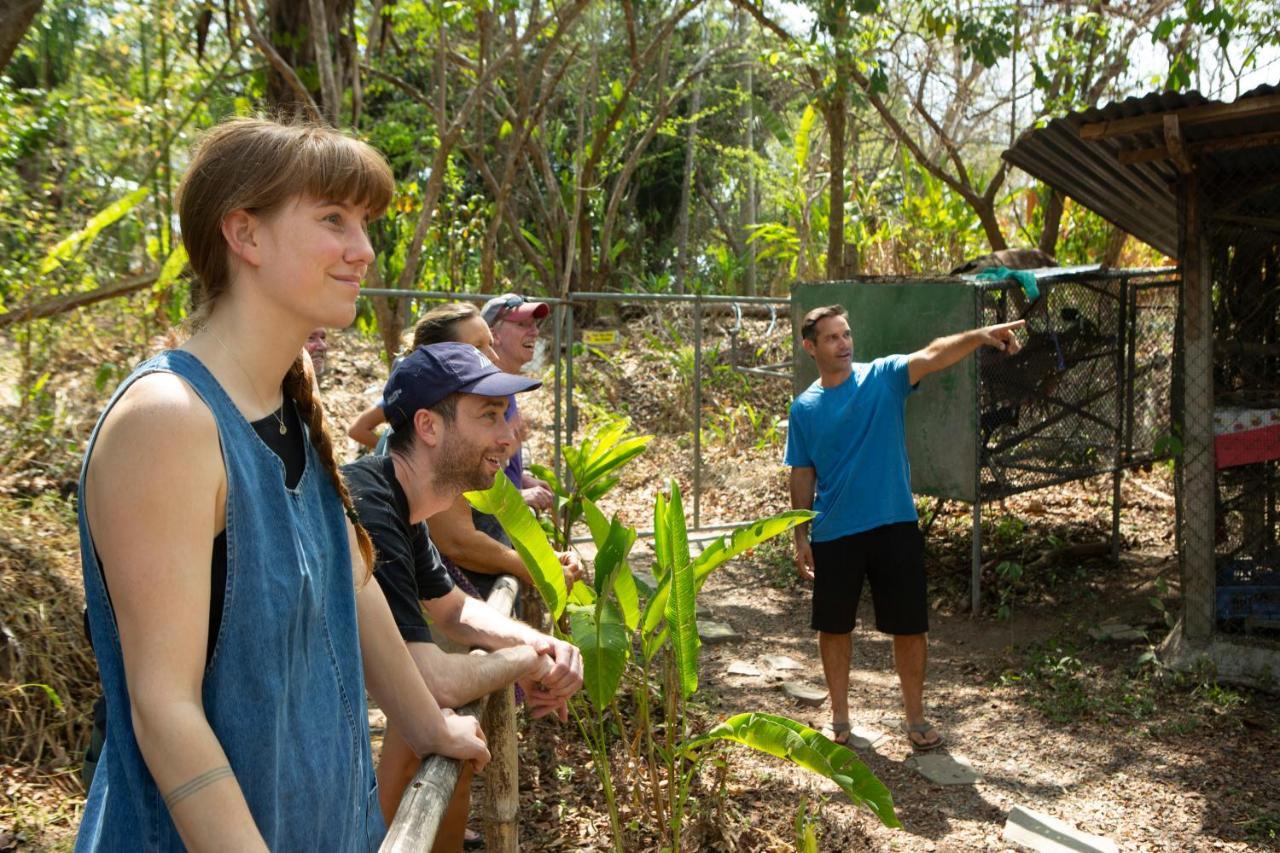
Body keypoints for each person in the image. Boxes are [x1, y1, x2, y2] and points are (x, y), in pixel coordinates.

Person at [75, 118, 487, 852]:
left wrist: (427, 724)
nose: (363, 249)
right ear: (246, 235)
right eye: (333, 219)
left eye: (363, 223)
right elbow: (164, 708)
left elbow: (350, 584)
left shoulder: (290, 404)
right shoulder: (168, 420)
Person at [341, 342, 585, 828]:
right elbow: (432, 680)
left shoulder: (401, 502)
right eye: (489, 417)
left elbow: (455, 610)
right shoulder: (368, 506)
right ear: (429, 426)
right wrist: (528, 660)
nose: (507, 438)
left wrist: (543, 642)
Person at [786, 304, 1024, 751]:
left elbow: (933, 353)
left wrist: (980, 336)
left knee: (910, 627)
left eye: (847, 333)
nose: (844, 343)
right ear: (810, 347)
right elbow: (802, 472)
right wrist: (800, 535)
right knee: (834, 628)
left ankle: (915, 718)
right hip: (834, 532)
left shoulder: (883, 376)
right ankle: (839, 715)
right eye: (833, 337)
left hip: (894, 524)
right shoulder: (805, 408)